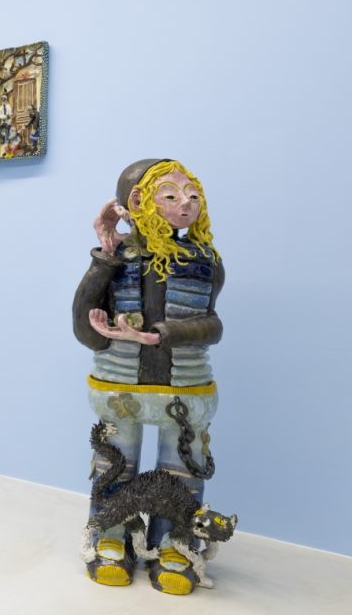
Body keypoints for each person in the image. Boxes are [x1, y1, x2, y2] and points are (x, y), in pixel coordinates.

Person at [73, 159, 223, 594]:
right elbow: (85, 330)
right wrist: (104, 257)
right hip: (119, 384)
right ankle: (111, 536)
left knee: (182, 469)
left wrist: (164, 334)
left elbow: (213, 325)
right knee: (115, 464)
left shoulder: (206, 261)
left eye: (192, 195)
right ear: (136, 202)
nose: (186, 204)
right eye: (171, 195)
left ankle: (176, 543)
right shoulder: (114, 260)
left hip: (186, 386)